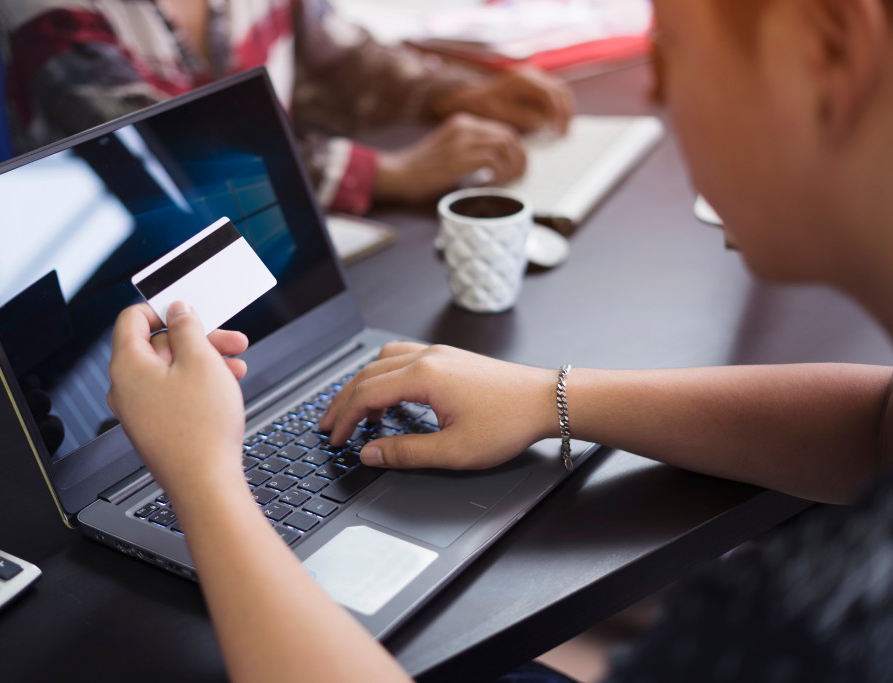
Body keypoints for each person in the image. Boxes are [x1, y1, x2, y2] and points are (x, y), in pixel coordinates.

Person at [106, 0, 893, 680]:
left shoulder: (816, 624)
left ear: (824, 50)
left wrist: (205, 479)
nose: (653, 90)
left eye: (670, 47)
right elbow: (877, 424)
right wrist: (553, 395)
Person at [0, 0, 574, 216]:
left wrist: (456, 92)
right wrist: (389, 174)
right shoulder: (46, 12)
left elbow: (336, 50)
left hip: (274, 233)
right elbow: (172, 146)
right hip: (135, 257)